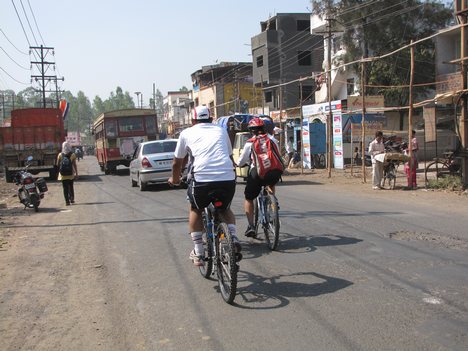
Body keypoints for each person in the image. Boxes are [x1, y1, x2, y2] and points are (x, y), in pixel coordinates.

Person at [168, 105, 240, 267]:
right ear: (210, 118)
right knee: (225, 209)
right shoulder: (220, 131)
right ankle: (233, 238)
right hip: (227, 177)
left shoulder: (186, 133)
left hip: (202, 179)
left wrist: (175, 179)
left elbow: (176, 163)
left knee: (196, 209)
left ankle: (199, 251)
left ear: (193, 120)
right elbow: (229, 155)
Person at [237, 117, 283, 238]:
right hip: (274, 172)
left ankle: (251, 226)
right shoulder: (272, 139)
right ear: (263, 128)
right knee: (271, 183)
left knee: (248, 198)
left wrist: (239, 164)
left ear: (251, 131)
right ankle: (273, 201)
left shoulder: (250, 142)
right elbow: (278, 155)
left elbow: (241, 161)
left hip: (257, 173)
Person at [57, 141, 78, 206]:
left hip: (63, 175)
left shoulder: (60, 155)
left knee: (65, 188)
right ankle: (71, 199)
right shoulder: (73, 154)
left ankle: (67, 202)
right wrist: (76, 173)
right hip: (70, 174)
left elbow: (57, 164)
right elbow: (74, 165)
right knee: (71, 186)